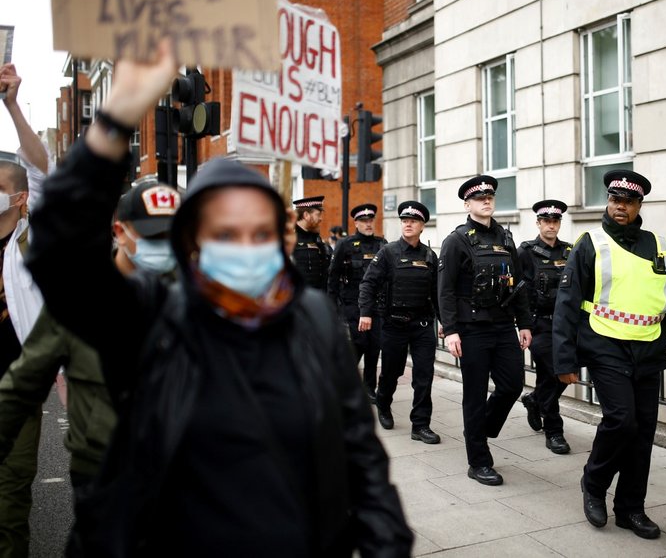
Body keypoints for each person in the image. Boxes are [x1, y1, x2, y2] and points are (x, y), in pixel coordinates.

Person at [25, 44, 412, 557]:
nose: (245, 248)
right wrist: (115, 121)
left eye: (260, 233)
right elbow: (59, 253)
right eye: (226, 233)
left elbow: (359, 452)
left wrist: (386, 542)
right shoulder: (151, 315)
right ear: (194, 244)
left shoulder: (312, 317)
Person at [0, 181, 180, 495]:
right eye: (154, 235)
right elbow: (21, 383)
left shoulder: (201, 298)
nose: (164, 246)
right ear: (120, 232)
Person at [552, 169, 666, 540]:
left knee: (642, 433)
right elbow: (567, 305)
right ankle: (594, 482)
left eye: (629, 202)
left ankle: (631, 509)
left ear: (639, 206)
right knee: (622, 421)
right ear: (608, 201)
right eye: (616, 200)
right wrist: (564, 360)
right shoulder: (591, 243)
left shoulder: (659, 246)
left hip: (649, 349)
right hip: (605, 345)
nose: (621, 207)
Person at [438, 175, 533, 486]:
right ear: (468, 204)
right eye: (479, 198)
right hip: (472, 329)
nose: (486, 201)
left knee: (512, 386)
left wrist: (525, 323)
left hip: (504, 326)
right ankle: (479, 461)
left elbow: (518, 285)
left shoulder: (506, 238)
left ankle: (478, 429)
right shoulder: (457, 240)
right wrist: (450, 329)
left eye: (490, 196)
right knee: (475, 396)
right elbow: (446, 290)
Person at [0, 63, 50, 558]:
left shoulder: (30, 244)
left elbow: (39, 168)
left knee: (11, 496)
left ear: (18, 199)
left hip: (15, 393)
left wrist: (12, 105)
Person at [358, 201, 440, 444]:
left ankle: (421, 425)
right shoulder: (388, 252)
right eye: (404, 220)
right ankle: (383, 405)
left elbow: (436, 292)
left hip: (423, 325)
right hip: (394, 324)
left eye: (413, 221)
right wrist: (366, 312)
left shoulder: (429, 255)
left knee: (424, 375)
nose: (408, 224)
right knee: (392, 372)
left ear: (422, 226)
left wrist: (445, 321)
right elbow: (368, 283)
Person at [518, 200, 574, 455]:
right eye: (546, 221)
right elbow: (518, 290)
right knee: (553, 372)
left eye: (556, 221)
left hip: (565, 326)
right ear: (538, 223)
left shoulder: (570, 252)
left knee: (561, 374)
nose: (551, 225)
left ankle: (534, 400)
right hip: (539, 324)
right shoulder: (526, 252)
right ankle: (554, 431)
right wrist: (523, 324)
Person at [329, 204, 387, 402]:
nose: (368, 224)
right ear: (356, 223)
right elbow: (333, 276)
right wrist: (332, 305)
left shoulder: (382, 244)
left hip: (376, 305)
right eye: (364, 221)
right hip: (352, 303)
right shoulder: (345, 244)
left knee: (374, 346)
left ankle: (369, 387)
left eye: (371, 220)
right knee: (360, 342)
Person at [291, 195, 331, 292]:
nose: (321, 219)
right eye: (318, 214)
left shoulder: (317, 239)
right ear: (306, 215)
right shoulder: (289, 238)